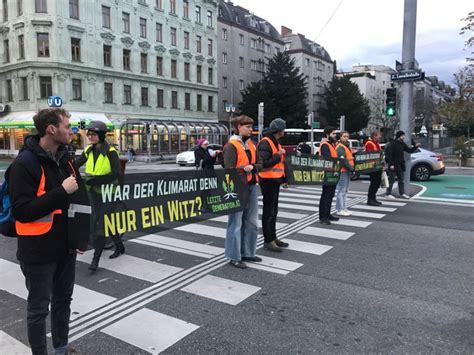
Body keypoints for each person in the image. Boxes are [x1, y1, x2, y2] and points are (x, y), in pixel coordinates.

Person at [9, 108, 81, 355]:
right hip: (37, 252)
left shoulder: (66, 159)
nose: (71, 130)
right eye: (67, 125)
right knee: (39, 310)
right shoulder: (24, 163)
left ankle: (61, 350)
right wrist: (61, 192)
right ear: (52, 129)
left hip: (65, 248)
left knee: (63, 302)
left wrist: (81, 238)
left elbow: (77, 203)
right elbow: (21, 210)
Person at [75, 121, 124, 271]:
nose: (90, 137)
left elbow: (116, 172)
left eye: (94, 134)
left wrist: (98, 180)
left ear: (101, 136)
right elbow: (76, 163)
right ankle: (119, 246)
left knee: (101, 223)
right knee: (104, 220)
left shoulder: (110, 151)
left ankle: (95, 259)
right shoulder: (89, 150)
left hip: (109, 193)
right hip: (94, 192)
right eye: (89, 134)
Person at [223, 115, 262, 269]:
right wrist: (243, 170)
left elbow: (260, 163)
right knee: (235, 222)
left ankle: (248, 253)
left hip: (252, 186)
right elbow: (228, 169)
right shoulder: (232, 145)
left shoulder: (251, 145)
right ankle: (234, 256)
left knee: (252, 222)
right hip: (237, 187)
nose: (251, 130)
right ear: (239, 127)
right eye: (248, 127)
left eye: (251, 127)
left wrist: (253, 167)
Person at [257, 118, 290, 253]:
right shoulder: (266, 143)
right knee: (268, 212)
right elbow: (264, 163)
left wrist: (284, 179)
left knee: (273, 212)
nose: (284, 131)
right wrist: (278, 154)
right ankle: (268, 240)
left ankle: (273, 237)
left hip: (275, 180)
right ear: (279, 130)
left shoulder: (275, 142)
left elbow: (280, 164)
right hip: (268, 181)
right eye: (283, 129)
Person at [385, 130, 421, 199]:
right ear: (399, 136)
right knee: (391, 180)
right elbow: (389, 155)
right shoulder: (393, 144)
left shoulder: (402, 143)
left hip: (400, 165)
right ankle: (388, 193)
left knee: (401, 180)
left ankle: (402, 193)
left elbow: (409, 150)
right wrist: (391, 164)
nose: (404, 137)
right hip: (393, 165)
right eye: (402, 135)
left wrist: (416, 147)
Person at [318, 126, 340, 225]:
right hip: (327, 173)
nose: (335, 135)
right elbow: (328, 159)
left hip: (332, 173)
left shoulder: (331, 144)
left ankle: (327, 214)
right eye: (333, 134)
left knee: (330, 195)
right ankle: (323, 216)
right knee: (326, 195)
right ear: (327, 134)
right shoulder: (325, 145)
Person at [335, 131, 354, 216]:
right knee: (341, 191)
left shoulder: (346, 147)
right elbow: (343, 161)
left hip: (347, 171)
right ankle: (339, 209)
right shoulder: (340, 147)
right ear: (340, 137)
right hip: (343, 171)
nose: (346, 138)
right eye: (344, 136)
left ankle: (343, 208)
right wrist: (352, 169)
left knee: (345, 191)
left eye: (347, 136)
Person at [364, 131, 384, 206]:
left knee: (376, 183)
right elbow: (369, 155)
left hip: (377, 166)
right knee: (374, 183)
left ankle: (373, 198)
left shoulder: (377, 144)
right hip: (373, 167)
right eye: (379, 135)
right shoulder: (369, 143)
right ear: (374, 136)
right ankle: (370, 199)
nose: (380, 137)